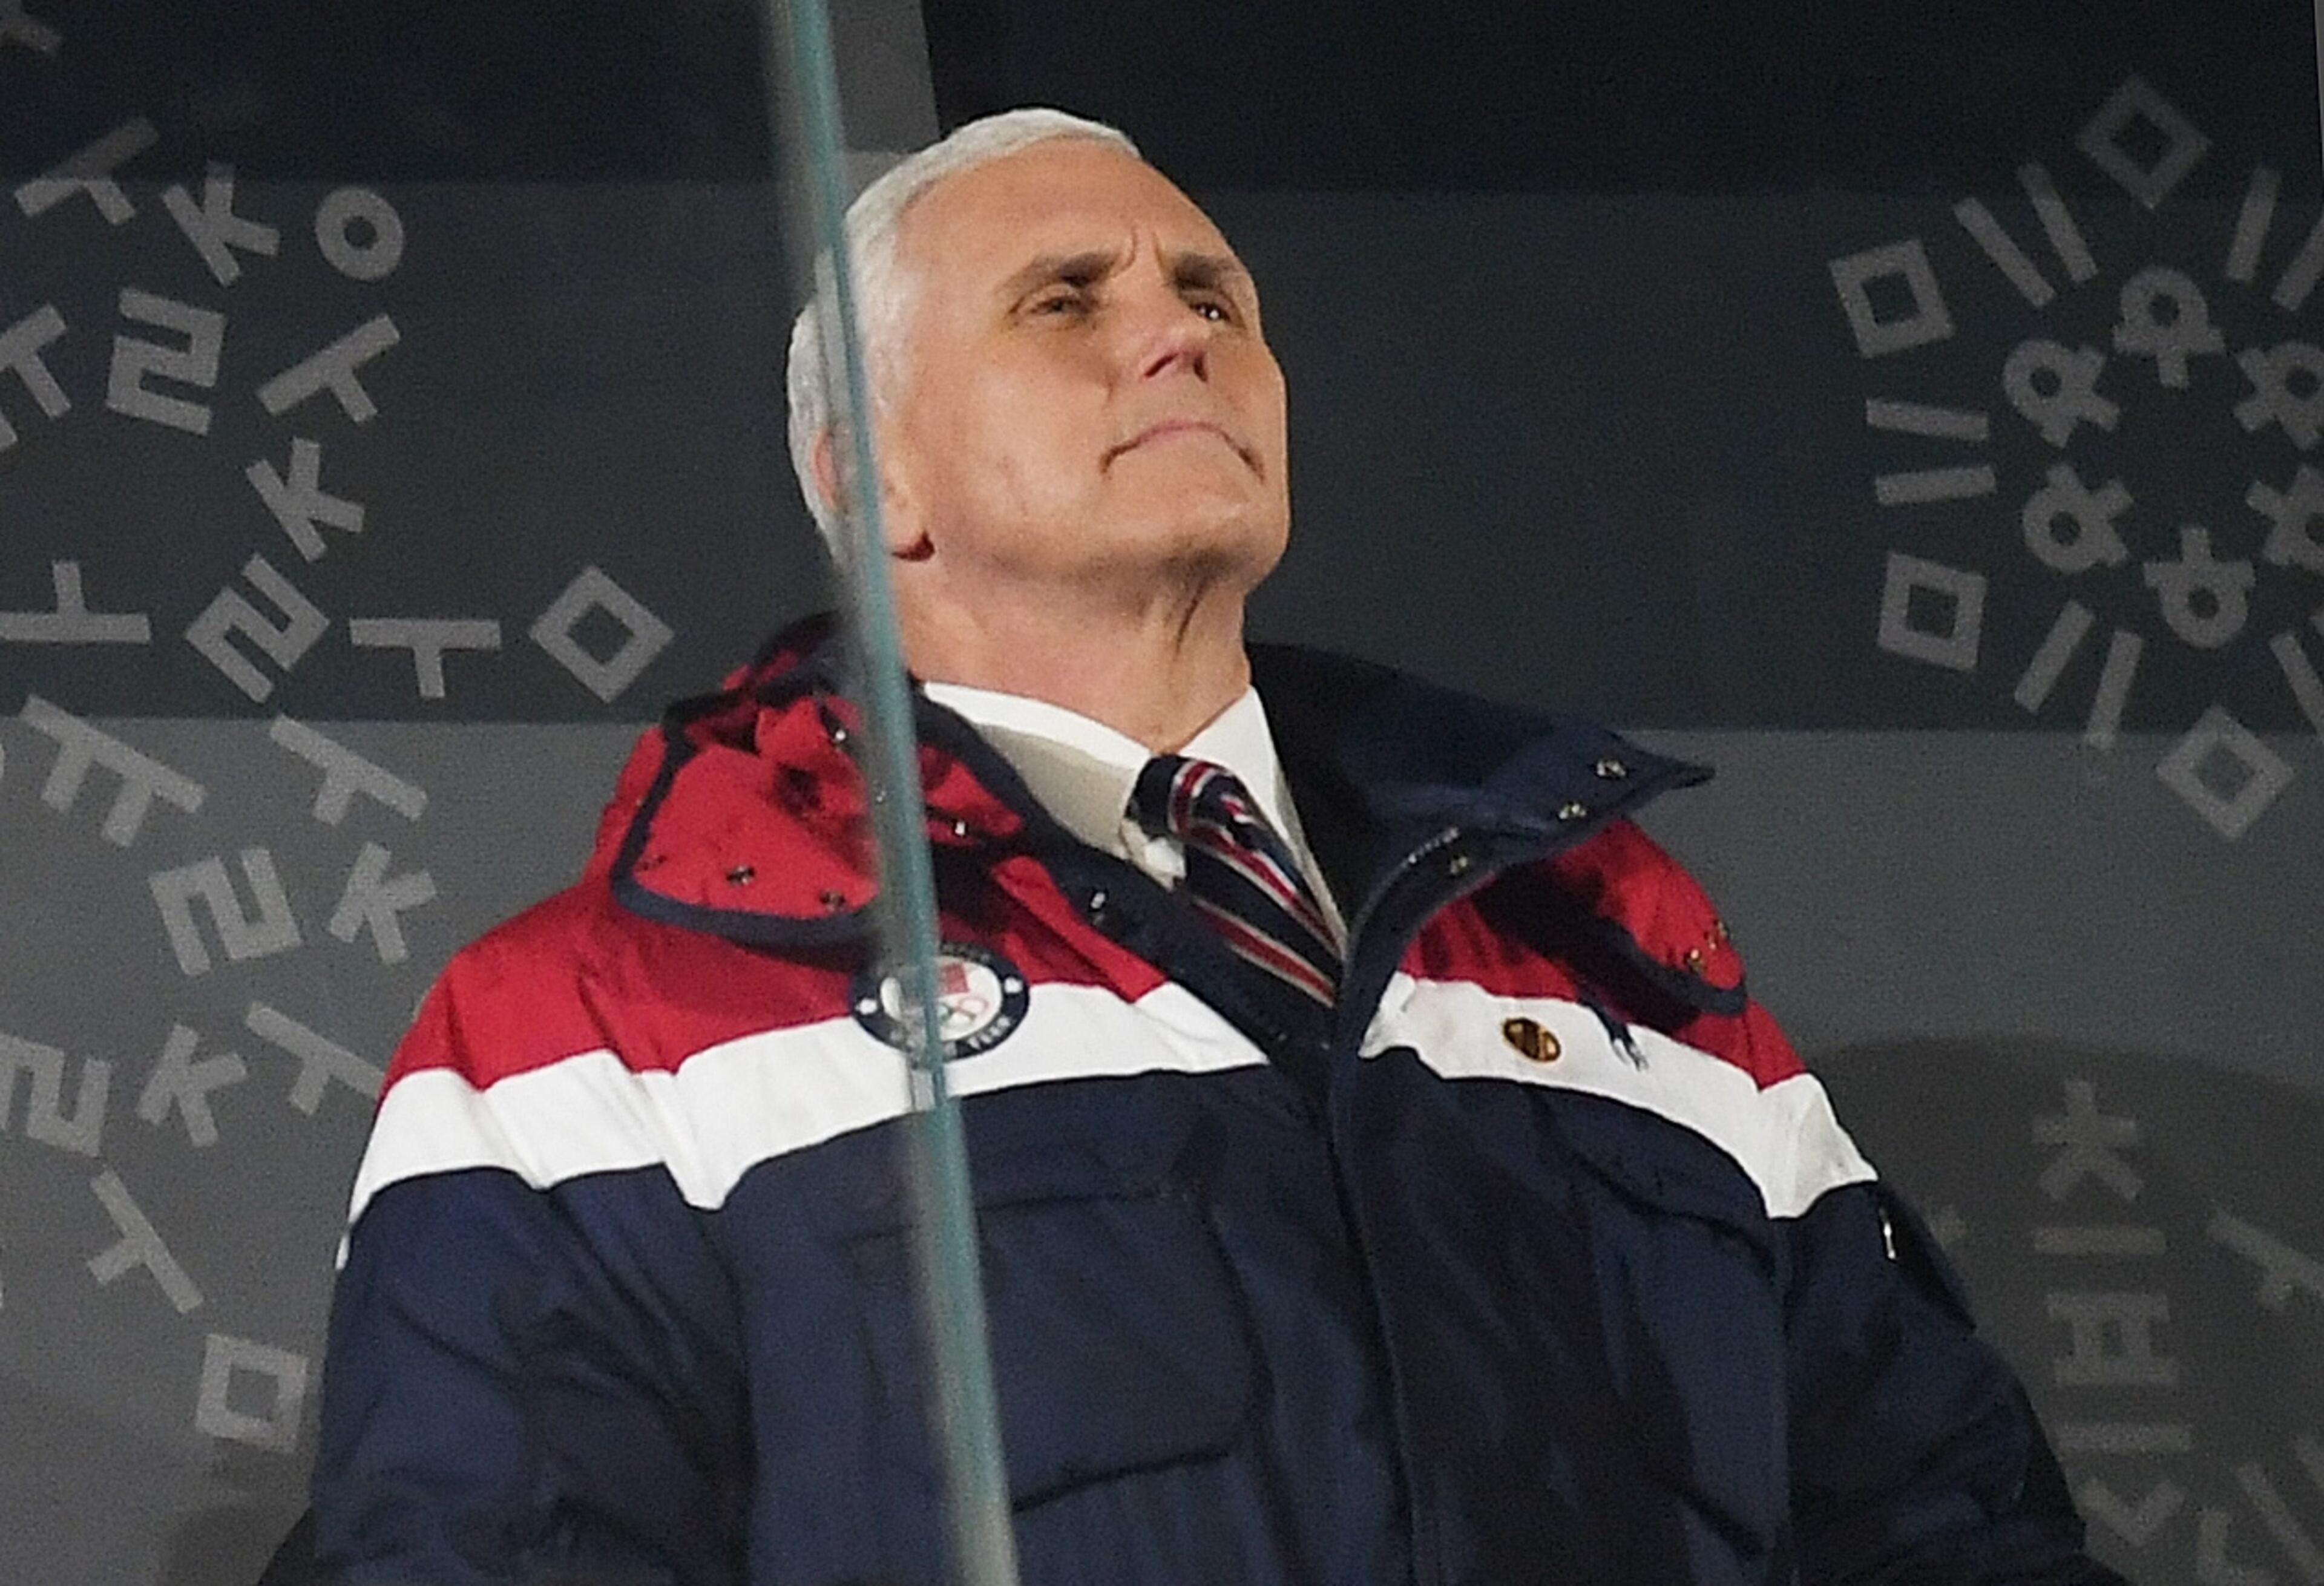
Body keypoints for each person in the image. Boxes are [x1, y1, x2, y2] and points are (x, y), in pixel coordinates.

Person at [310, 108, 2119, 1585]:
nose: (1177, 330)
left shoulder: (1609, 939)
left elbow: (1943, 1528)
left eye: (1211, 293)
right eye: (1064, 302)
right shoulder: (592, 1031)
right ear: (877, 480)